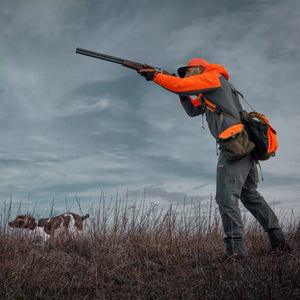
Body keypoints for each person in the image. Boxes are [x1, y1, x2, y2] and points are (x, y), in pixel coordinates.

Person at [139, 59, 292, 260]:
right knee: (250, 196)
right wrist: (180, 92)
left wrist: (157, 76)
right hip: (243, 145)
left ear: (200, 68)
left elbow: (180, 86)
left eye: (187, 71)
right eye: (183, 74)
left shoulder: (213, 78)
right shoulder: (209, 91)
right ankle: (279, 242)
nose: (185, 76)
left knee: (226, 198)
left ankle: (237, 253)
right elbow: (192, 110)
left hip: (235, 146)